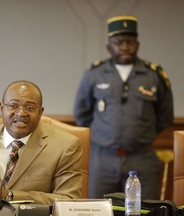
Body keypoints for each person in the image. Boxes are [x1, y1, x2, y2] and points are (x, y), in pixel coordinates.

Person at [74, 15, 174, 199]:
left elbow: (165, 116)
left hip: (142, 158)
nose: (125, 47)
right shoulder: (95, 75)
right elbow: (82, 114)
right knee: (98, 210)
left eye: (130, 42)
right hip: (102, 159)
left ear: (138, 44)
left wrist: (139, 135)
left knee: (145, 211)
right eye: (119, 42)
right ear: (109, 47)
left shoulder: (153, 75)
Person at [0, 80, 82, 205]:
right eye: (13, 106)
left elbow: (68, 200)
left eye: (30, 108)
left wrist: (10, 196)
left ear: (40, 112)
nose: (21, 113)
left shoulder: (65, 146)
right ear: (2, 108)